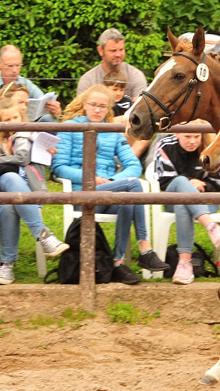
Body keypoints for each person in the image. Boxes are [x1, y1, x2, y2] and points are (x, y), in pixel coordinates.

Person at [52, 84, 170, 285]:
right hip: (82, 193)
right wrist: (91, 178)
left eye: (103, 106)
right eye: (93, 105)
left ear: (109, 109)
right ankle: (145, 249)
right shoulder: (70, 128)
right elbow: (59, 167)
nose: (98, 110)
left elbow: (133, 164)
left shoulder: (113, 132)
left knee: (128, 197)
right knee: (134, 185)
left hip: (107, 191)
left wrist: (114, 181)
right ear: (84, 105)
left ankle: (117, 263)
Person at [0, 98, 69, 284]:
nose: (12, 121)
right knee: (10, 180)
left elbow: (29, 163)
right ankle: (44, 236)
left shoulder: (27, 136)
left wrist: (46, 152)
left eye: (15, 116)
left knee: (8, 205)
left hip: (17, 191)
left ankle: (6, 265)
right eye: (7, 119)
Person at [154, 122, 220, 284]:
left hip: (206, 201)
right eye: (187, 137)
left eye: (196, 137)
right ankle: (211, 226)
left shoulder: (212, 146)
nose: (192, 141)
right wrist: (189, 183)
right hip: (171, 199)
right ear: (176, 134)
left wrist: (199, 188)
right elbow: (164, 181)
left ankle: (184, 265)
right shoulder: (165, 146)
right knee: (181, 183)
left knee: (184, 203)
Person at [77, 28, 148, 99]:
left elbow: (141, 107)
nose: (118, 54)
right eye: (113, 51)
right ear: (100, 50)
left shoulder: (135, 76)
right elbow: (79, 108)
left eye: (121, 50)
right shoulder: (88, 80)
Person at [0, 45, 62, 121]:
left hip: (24, 126)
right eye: (10, 66)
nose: (14, 70)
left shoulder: (25, 83)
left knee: (49, 119)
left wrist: (54, 109)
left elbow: (42, 99)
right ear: (0, 64)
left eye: (18, 65)